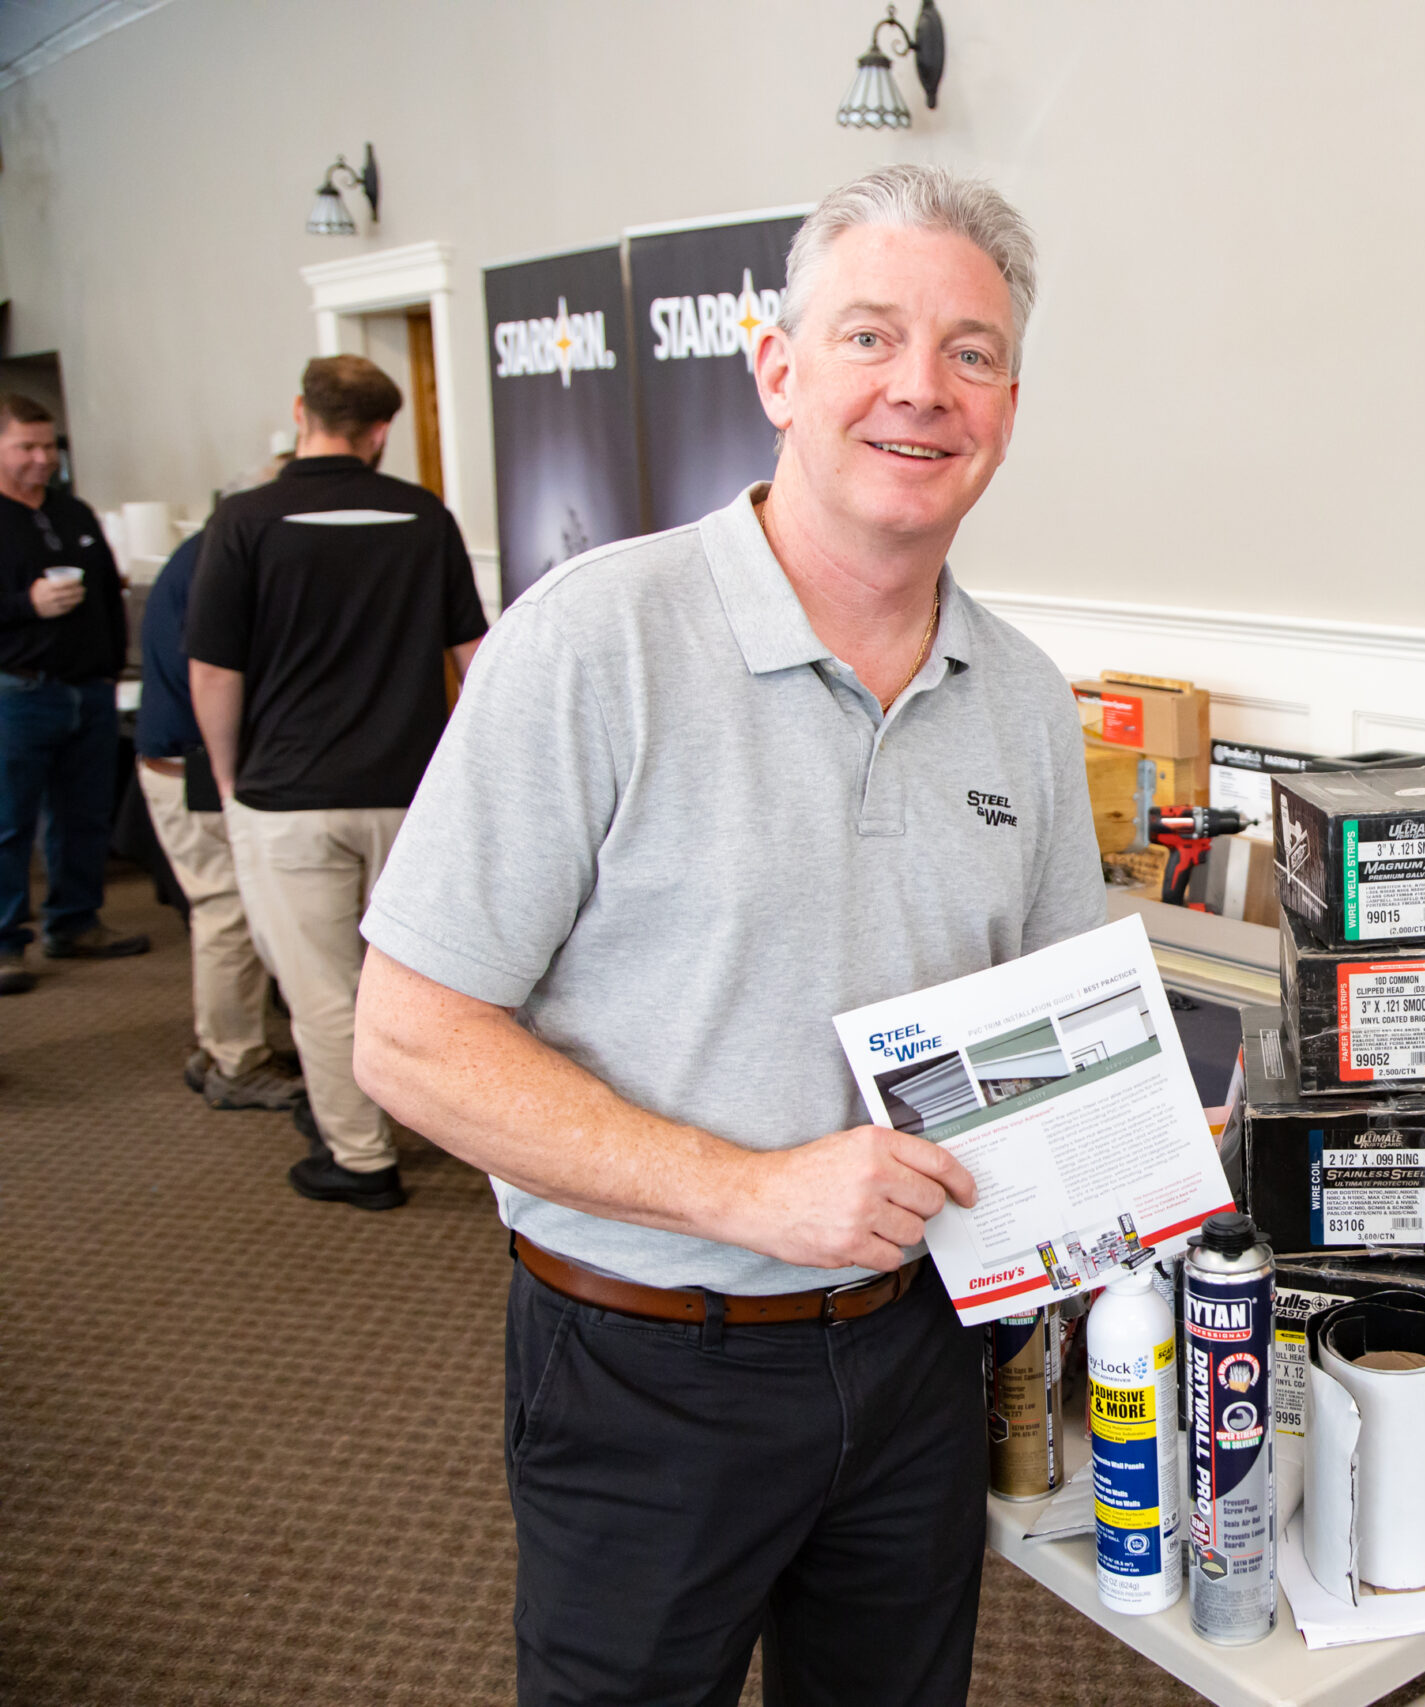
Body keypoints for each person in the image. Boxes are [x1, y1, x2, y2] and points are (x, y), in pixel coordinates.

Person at [352, 166, 1099, 1707]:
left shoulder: (1023, 695)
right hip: (646, 1364)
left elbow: (1047, 1026)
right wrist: (749, 1191)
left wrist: (1131, 1137)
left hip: (920, 1351)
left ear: (1010, 407)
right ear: (777, 370)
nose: (921, 387)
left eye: (970, 352)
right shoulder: (594, 639)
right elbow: (409, 1039)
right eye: (870, 336)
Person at [187, 356, 487, 1210]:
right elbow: (476, 656)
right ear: (382, 431)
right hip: (411, 795)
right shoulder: (424, 516)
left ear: (300, 413)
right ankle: (441, 1124)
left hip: (287, 795)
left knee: (322, 989)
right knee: (424, 977)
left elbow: (213, 670)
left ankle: (359, 1156)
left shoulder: (244, 518)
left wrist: (227, 775)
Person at [134, 461, 304, 1108]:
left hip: (182, 756)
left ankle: (222, 1043)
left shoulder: (204, 550)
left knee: (224, 911)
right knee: (228, 913)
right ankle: (235, 1061)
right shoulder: (224, 560)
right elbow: (215, 674)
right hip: (195, 765)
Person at [0, 392, 149, 994]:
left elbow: (110, 597)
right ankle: (5, 943)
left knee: (84, 817)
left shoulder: (73, 512)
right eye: (26, 447)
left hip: (88, 691)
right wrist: (25, 604)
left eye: (48, 446)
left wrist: (111, 670)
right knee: (8, 825)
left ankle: (75, 923)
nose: (42, 458)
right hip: (17, 693)